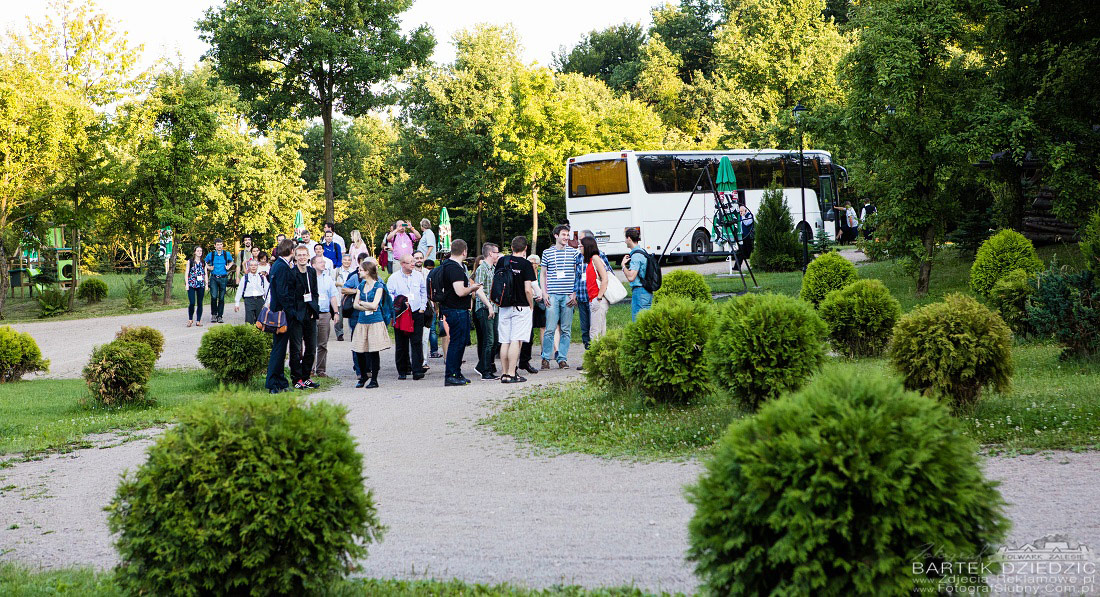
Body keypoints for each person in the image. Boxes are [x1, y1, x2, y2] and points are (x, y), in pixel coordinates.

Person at [439, 240, 483, 386]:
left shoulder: (446, 265)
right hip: (456, 309)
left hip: (451, 308)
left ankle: (456, 372)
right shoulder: (455, 268)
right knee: (457, 342)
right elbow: (459, 291)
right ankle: (451, 374)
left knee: (459, 342)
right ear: (464, 251)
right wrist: (473, 288)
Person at [496, 236, 537, 383]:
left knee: (505, 340)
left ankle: (504, 373)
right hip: (521, 306)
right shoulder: (526, 264)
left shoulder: (502, 261)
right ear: (525, 248)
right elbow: (528, 289)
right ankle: (512, 373)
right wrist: (531, 303)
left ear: (512, 247)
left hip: (504, 306)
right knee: (516, 339)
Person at [540, 224, 579, 369]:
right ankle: (546, 358)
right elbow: (543, 274)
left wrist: (574, 293)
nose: (566, 238)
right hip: (553, 295)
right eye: (563, 234)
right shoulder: (547, 253)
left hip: (568, 295)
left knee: (566, 329)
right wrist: (544, 293)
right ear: (556, 236)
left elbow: (578, 273)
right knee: (550, 329)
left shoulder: (574, 253)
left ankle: (562, 358)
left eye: (567, 235)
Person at [351, 259, 392, 388]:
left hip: (375, 321)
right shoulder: (361, 286)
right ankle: (363, 375)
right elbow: (355, 305)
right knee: (359, 349)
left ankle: (374, 379)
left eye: (361, 269)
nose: (359, 271)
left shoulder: (378, 286)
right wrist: (366, 306)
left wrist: (363, 304)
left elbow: (375, 305)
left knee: (374, 351)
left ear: (368, 271)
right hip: (362, 321)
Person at [387, 254, 428, 380]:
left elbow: (423, 291)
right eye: (410, 262)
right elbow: (389, 294)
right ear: (402, 264)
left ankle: (417, 370)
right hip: (401, 314)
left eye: (413, 261)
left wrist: (422, 307)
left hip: (416, 312)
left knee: (416, 341)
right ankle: (403, 370)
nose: (413, 263)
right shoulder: (394, 278)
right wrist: (398, 301)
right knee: (401, 343)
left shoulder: (418, 276)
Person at [265, 239, 297, 394]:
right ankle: (273, 383)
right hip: (282, 314)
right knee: (278, 349)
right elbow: (283, 292)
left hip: (279, 311)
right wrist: (291, 311)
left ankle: (280, 380)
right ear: (291, 251)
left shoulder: (278, 265)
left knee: (280, 348)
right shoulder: (282, 266)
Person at [574, 230, 611, 353]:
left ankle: (594, 361)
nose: (579, 247)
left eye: (581, 245)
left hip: (598, 299)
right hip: (589, 298)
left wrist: (599, 297)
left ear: (587, 246)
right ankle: (598, 361)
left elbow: (605, 278)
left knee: (595, 332)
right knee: (597, 331)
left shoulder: (596, 258)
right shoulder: (588, 259)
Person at [310, 255, 341, 378]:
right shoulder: (309, 277)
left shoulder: (328, 279)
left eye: (323, 262)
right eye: (320, 262)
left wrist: (336, 312)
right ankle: (310, 369)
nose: (323, 264)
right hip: (312, 315)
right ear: (313, 265)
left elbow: (333, 296)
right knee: (310, 343)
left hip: (324, 314)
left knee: (322, 344)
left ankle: (321, 370)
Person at [473, 243, 500, 380]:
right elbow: (478, 289)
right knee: (489, 340)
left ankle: (482, 365)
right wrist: (489, 305)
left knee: (494, 340)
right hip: (484, 308)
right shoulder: (482, 268)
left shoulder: (493, 268)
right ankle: (486, 371)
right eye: (496, 252)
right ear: (490, 253)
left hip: (494, 308)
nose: (498, 255)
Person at [518, 254, 543, 375]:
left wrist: (540, 295)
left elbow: (536, 287)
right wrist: (532, 302)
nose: (533, 265)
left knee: (529, 335)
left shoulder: (532, 271)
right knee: (521, 336)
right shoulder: (523, 268)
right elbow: (530, 288)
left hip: (527, 304)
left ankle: (524, 361)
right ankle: (515, 365)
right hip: (525, 304)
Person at [622, 228, 652, 322]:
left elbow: (631, 277)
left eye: (626, 238)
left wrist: (623, 266)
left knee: (639, 322)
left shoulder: (636, 256)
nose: (625, 241)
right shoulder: (642, 251)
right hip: (646, 290)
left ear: (629, 238)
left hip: (640, 291)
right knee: (646, 321)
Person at [204, 239, 234, 324]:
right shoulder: (211, 255)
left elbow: (231, 262)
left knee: (221, 298)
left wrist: (229, 266)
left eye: (221, 244)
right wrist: (209, 268)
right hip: (214, 278)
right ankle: (214, 314)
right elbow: (204, 262)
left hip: (223, 278)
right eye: (218, 244)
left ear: (222, 245)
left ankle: (220, 316)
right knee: (213, 296)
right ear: (215, 246)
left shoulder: (226, 254)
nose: (219, 246)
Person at [234, 258, 268, 324]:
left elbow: (267, 290)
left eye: (255, 265)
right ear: (249, 267)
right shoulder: (245, 278)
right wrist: (237, 303)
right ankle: (249, 333)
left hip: (259, 300)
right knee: (249, 320)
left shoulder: (262, 278)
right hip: (249, 300)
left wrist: (267, 302)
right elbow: (240, 290)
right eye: (251, 265)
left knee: (260, 321)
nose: (253, 267)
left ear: (257, 266)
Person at [333, 253, 356, 341]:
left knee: (352, 316)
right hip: (338, 296)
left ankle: (353, 333)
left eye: (348, 260)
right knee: (339, 316)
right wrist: (342, 284)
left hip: (350, 297)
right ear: (342, 261)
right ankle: (339, 334)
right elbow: (332, 282)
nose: (346, 262)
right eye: (345, 260)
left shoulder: (354, 272)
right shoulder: (336, 271)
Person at [185, 245, 207, 328]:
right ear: (194, 252)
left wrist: (206, 283)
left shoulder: (203, 262)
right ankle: (190, 319)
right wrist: (187, 284)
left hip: (200, 284)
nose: (199, 252)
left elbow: (205, 274)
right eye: (198, 251)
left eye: (200, 251)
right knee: (192, 302)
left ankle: (198, 320)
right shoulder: (190, 261)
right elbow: (186, 273)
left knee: (200, 303)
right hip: (192, 284)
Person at [736, 204, 756, 268]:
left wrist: (744, 216)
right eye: (740, 211)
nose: (740, 213)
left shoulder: (750, 216)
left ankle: (753, 264)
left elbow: (747, 223)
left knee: (750, 250)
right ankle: (737, 266)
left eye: (742, 211)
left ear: (745, 210)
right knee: (741, 251)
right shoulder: (740, 216)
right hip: (742, 236)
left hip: (748, 236)